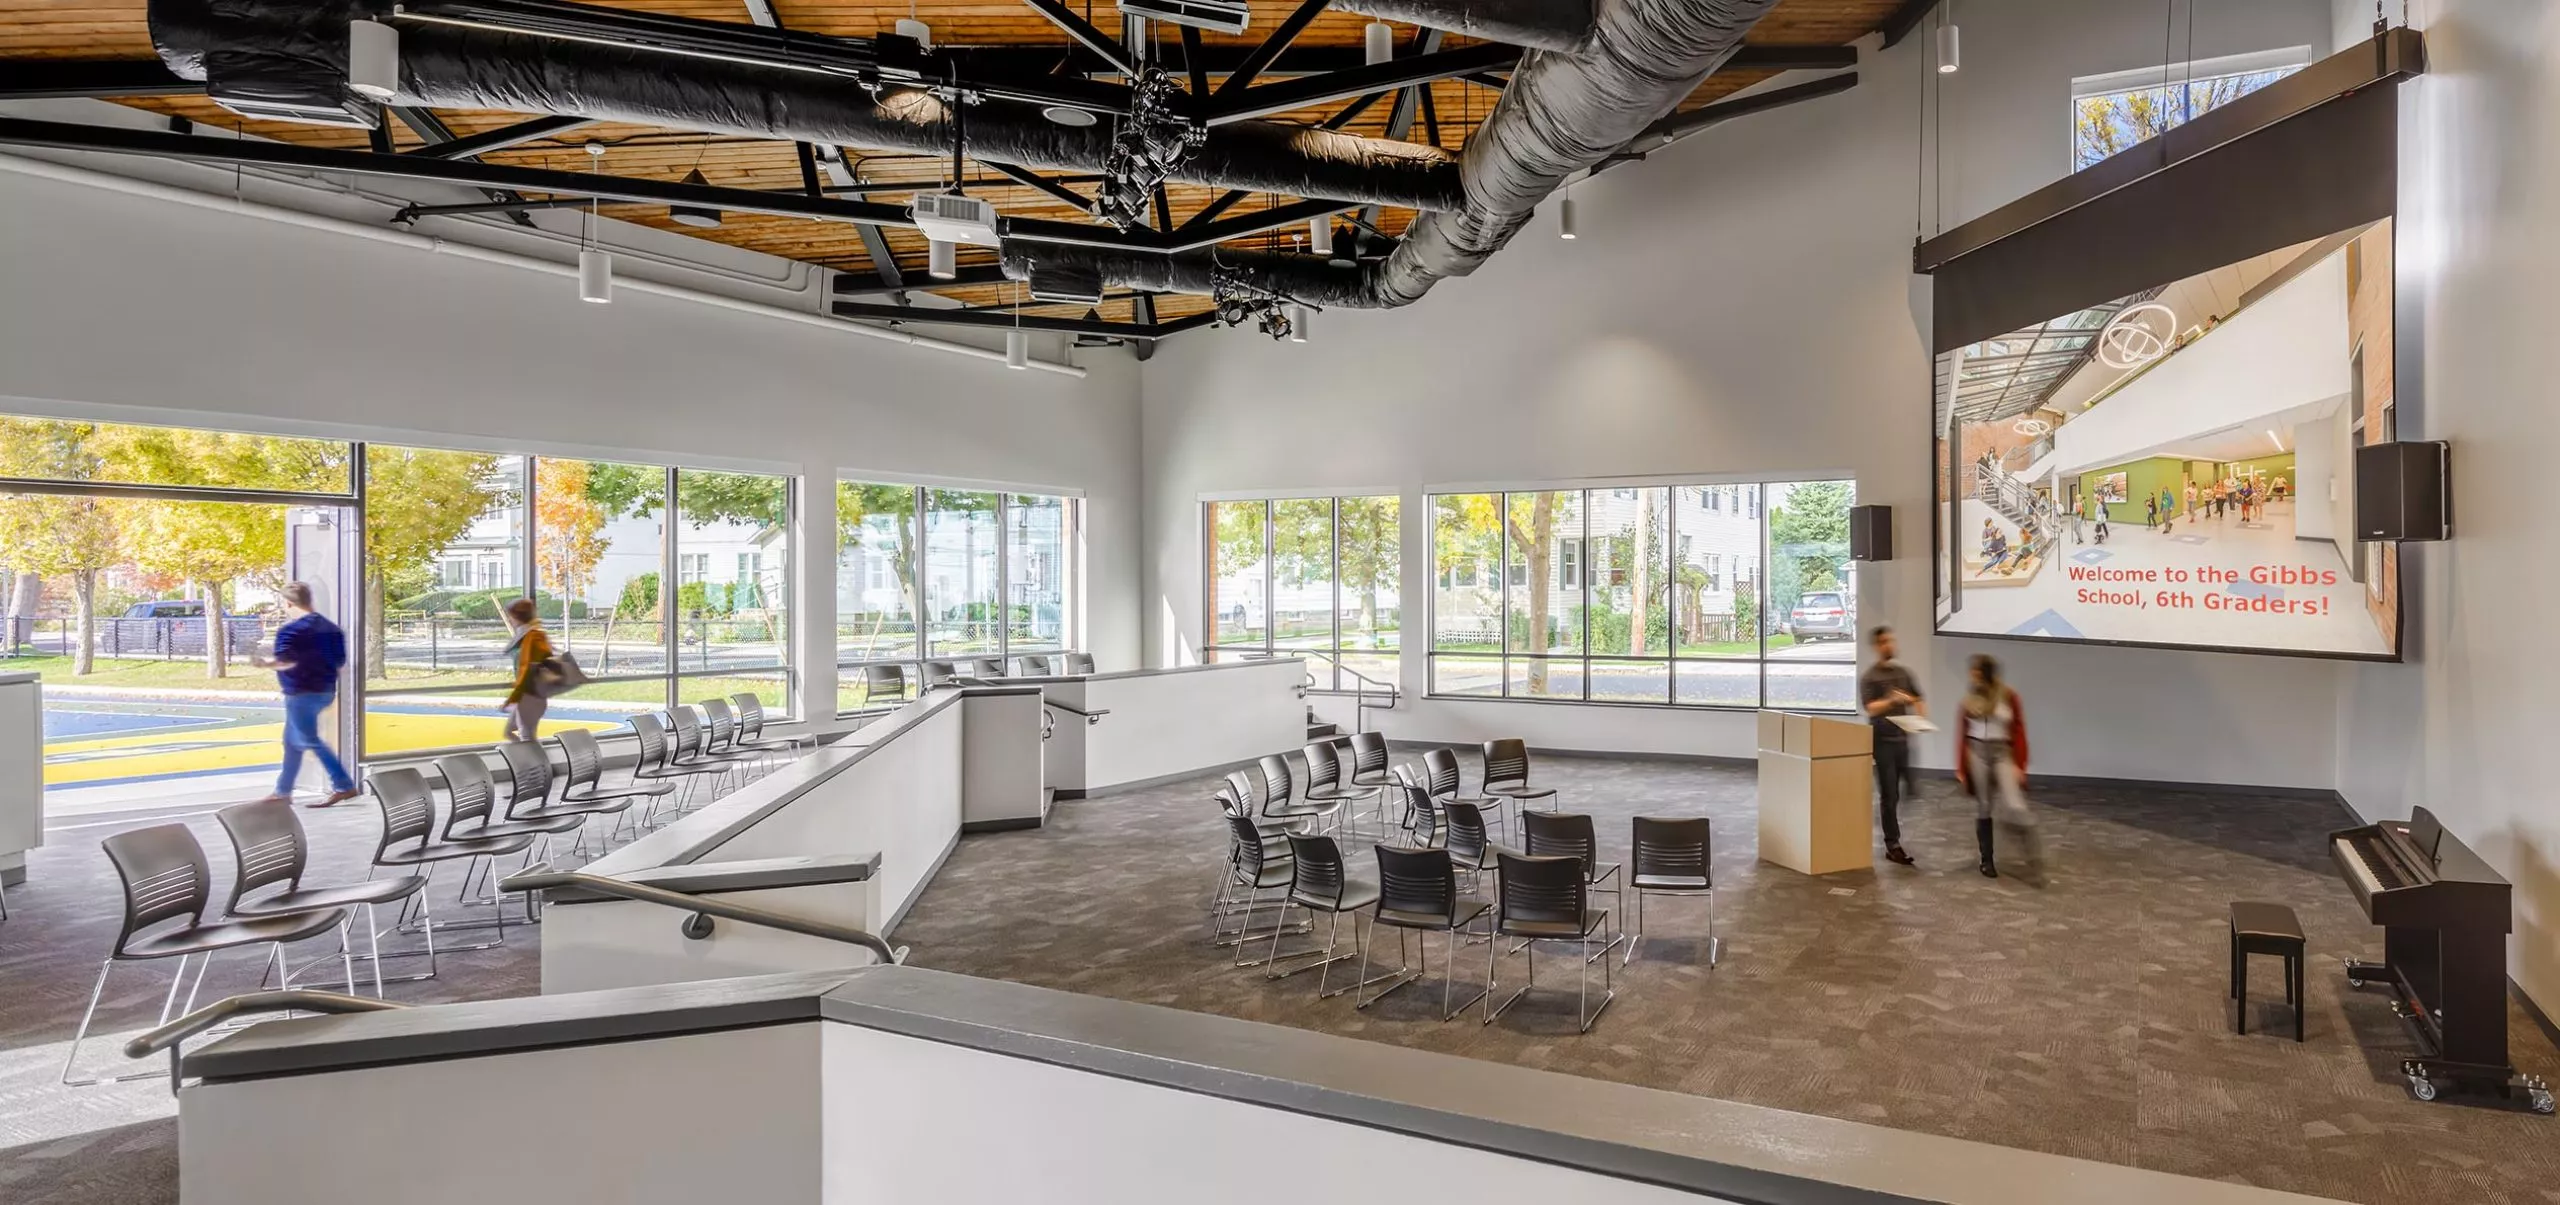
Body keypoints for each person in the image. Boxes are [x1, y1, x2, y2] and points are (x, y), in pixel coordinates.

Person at [257, 582, 358, 808]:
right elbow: (340, 662)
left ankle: (343, 785)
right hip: (325, 690)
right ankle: (282, 791)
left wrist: (264, 664)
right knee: (291, 742)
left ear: (288, 603)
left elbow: (285, 661)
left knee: (309, 739)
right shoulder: (331, 628)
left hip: (300, 693)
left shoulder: (291, 631)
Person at [1953, 654, 2037, 879]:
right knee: (1984, 805)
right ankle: (1986, 859)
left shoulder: (2008, 696)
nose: (1973, 677)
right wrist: (1961, 767)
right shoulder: (1969, 700)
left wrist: (2020, 765)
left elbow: (2018, 730)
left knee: (2015, 803)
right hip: (1977, 752)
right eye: (1972, 673)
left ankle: (2030, 852)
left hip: (2001, 752)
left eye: (1977, 673)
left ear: (1987, 673)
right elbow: (1963, 734)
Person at [1859, 626, 1925, 866]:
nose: (1889, 645)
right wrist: (1893, 699)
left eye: (1891, 641)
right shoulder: (1870, 677)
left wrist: (1919, 717)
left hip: (1902, 739)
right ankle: (1892, 844)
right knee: (1889, 794)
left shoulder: (1904, 673)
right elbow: (1870, 708)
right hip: (1883, 742)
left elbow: (1917, 698)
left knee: (1907, 789)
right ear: (1877, 646)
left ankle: (1893, 823)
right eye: (1884, 642)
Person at [501, 597, 554, 742]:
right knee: (511, 733)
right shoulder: (529, 635)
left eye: (510, 616)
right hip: (530, 694)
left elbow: (527, 669)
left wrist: (514, 696)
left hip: (529, 695)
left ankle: (538, 763)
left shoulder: (531, 637)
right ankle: (530, 762)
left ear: (517, 617)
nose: (509, 620)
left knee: (527, 737)